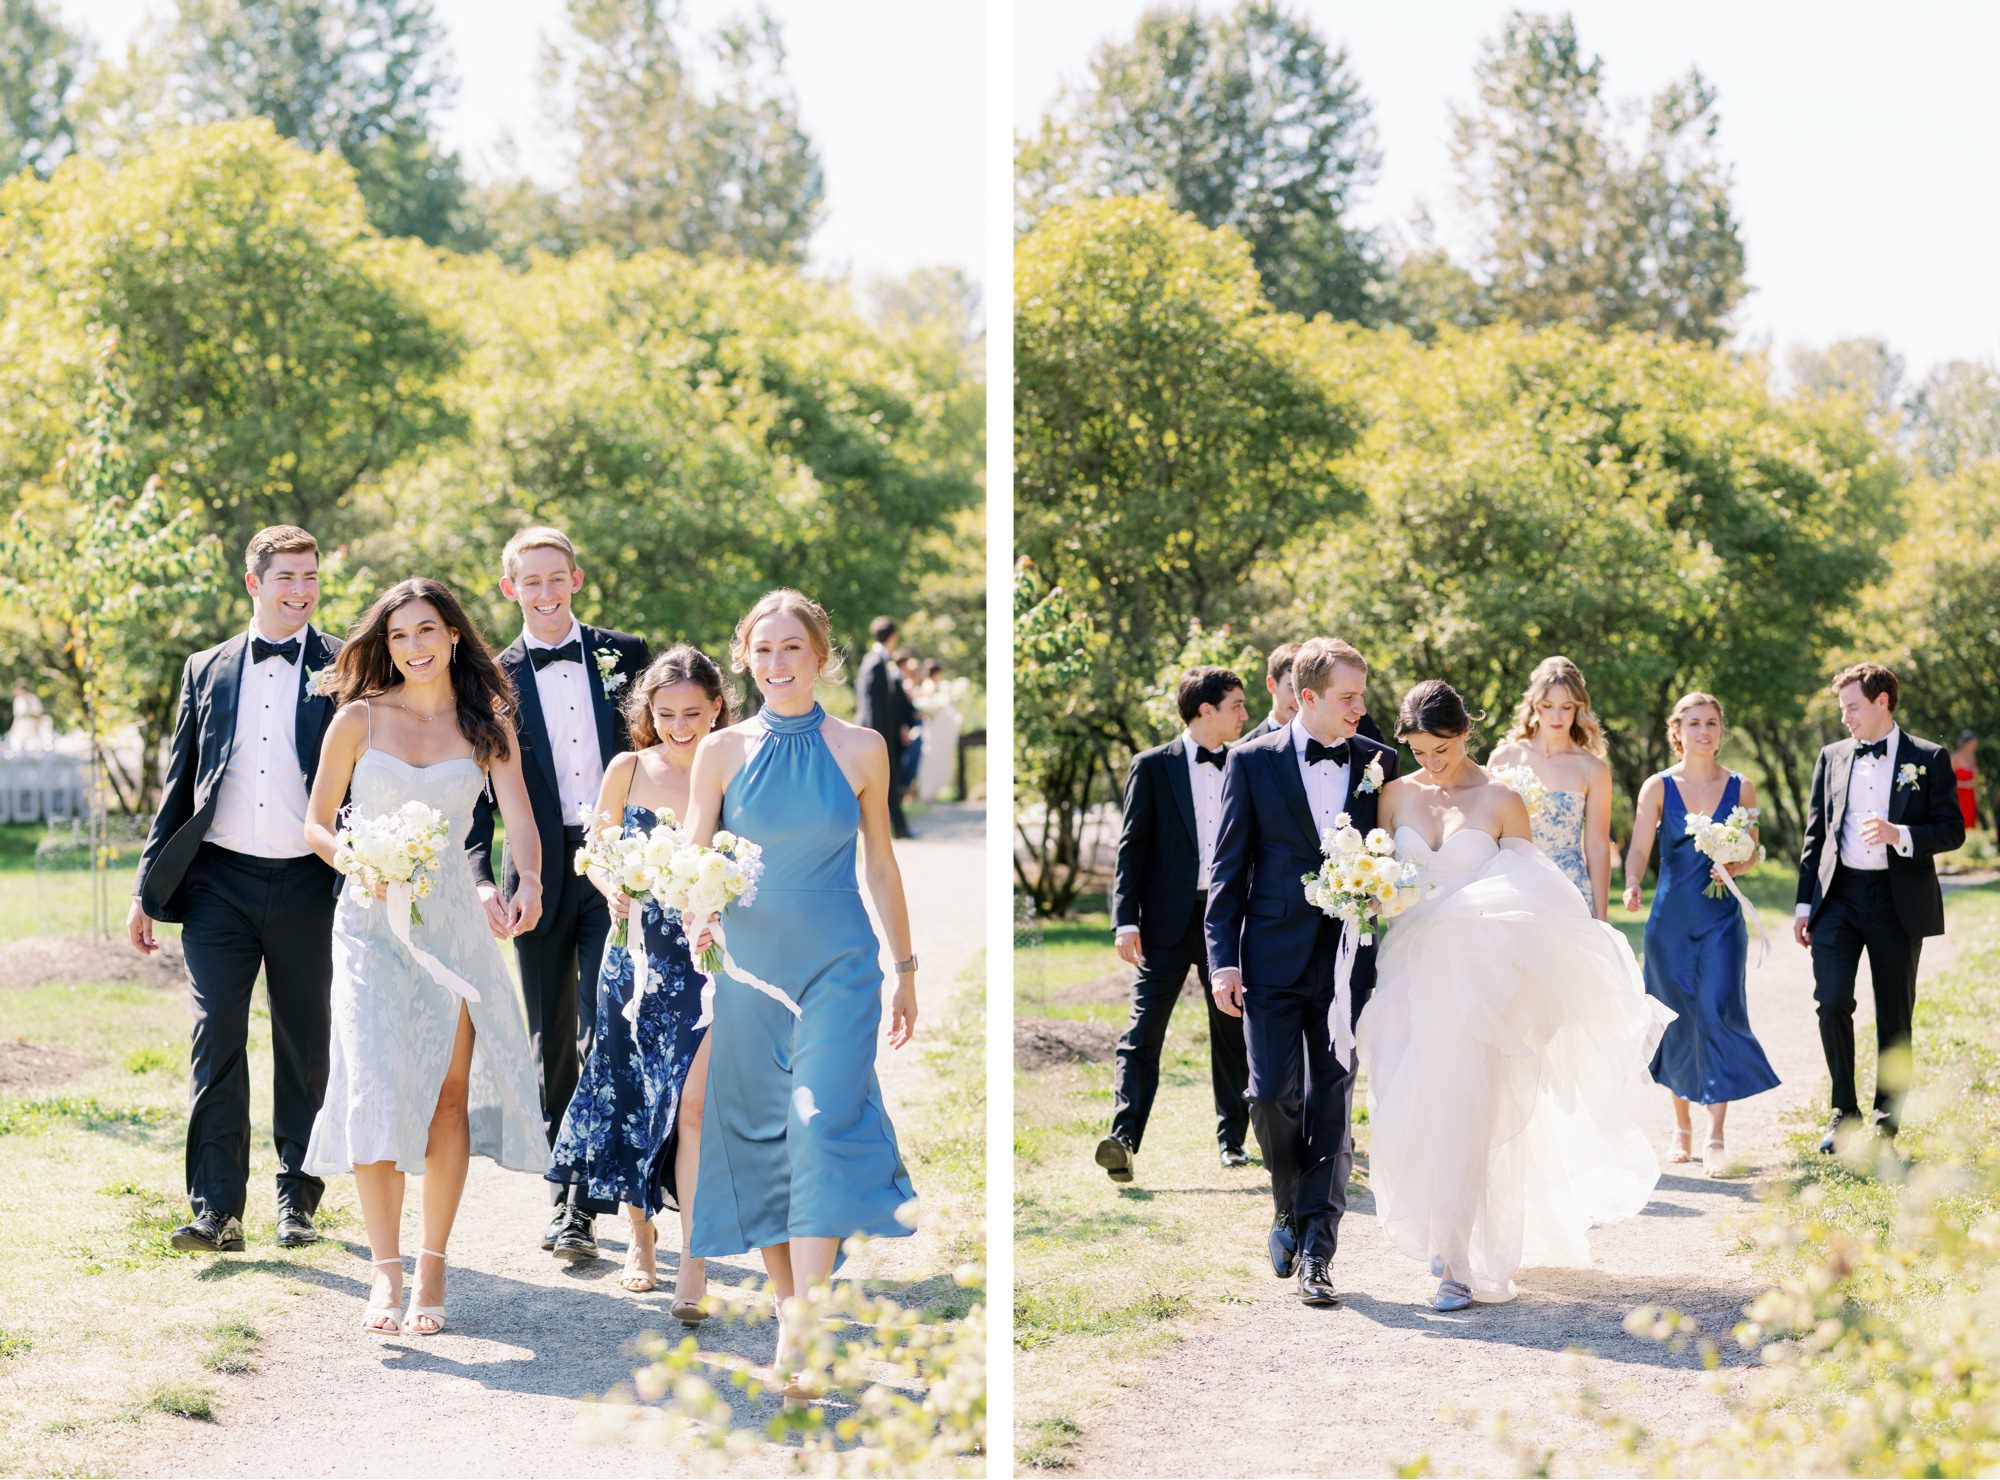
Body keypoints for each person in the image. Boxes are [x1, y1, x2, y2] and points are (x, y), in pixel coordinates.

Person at [1359, 679, 1672, 1309]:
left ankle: (1459, 1259)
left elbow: (1537, 894)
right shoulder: (1392, 797)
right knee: (1414, 1103)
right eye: (1419, 750)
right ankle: (1440, 1231)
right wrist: (1368, 894)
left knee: (1472, 1110)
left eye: (1441, 748)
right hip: (1410, 972)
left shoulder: (1502, 800)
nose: (1431, 762)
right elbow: (1378, 875)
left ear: (1466, 733)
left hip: (1482, 982)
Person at [686, 589, 918, 1393]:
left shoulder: (861, 748)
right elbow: (693, 860)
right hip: (749, 971)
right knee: (762, 1138)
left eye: (792, 649)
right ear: (745, 657)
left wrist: (908, 969)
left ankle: (808, 1322)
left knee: (818, 1125)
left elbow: (881, 863)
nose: (777, 664)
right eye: (762, 649)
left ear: (821, 656)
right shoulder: (720, 752)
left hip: (840, 966)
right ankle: (790, 1310)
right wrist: (698, 920)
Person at [302, 577, 547, 1336]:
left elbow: (520, 825)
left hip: (452, 925)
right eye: (400, 634)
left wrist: (528, 882)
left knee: (447, 1096)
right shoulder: (357, 720)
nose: (414, 646)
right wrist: (355, 858)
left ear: (452, 635)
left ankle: (433, 1266)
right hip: (371, 922)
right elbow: (316, 824)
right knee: (373, 1087)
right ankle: (385, 1272)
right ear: (384, 642)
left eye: (427, 630)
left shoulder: (487, 725)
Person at [129, 526, 344, 1255]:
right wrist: (146, 887)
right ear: (253, 582)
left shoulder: (344, 666)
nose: (302, 590)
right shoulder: (207, 667)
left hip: (311, 883)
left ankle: (298, 1200)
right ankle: (217, 1210)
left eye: (310, 576)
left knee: (304, 1042)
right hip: (219, 881)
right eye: (287, 576)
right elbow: (180, 783)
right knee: (215, 1033)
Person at [467, 527, 649, 1262]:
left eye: (556, 578)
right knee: (551, 1038)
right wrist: (483, 879)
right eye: (529, 582)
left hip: (620, 865)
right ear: (510, 590)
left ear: (576, 578)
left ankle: (588, 1198)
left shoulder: (627, 655)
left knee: (607, 1025)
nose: (544, 593)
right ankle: (565, 1195)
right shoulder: (488, 679)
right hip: (533, 872)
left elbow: (660, 748)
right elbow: (474, 801)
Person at [1204, 637, 1400, 1307]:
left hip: (1348, 958)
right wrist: (1223, 961)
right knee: (1267, 1095)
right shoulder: (1250, 761)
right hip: (1270, 955)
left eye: (1363, 696)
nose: (1361, 708)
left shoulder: (1381, 763)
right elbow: (1228, 869)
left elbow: (1396, 855)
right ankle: (1287, 1204)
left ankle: (1320, 1246)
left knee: (1333, 1099)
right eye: (1349, 697)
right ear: (1306, 697)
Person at [547, 646, 726, 1319]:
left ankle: (697, 1259)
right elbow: (591, 852)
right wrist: (610, 887)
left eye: (692, 712)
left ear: (715, 708)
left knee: (695, 1109)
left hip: (706, 963)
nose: (680, 725)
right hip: (632, 960)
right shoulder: (626, 769)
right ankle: (641, 1237)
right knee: (633, 1097)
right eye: (666, 712)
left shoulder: (730, 767)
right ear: (647, 712)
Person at [1796, 663, 1963, 1151]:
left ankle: (1886, 1124)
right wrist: (1805, 903)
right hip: (1839, 899)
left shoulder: (1928, 757)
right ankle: (1842, 1114)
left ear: (1882, 702)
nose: (1845, 717)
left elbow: (1952, 829)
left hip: (1897, 902)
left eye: (1853, 707)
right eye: (1843, 708)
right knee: (1830, 1002)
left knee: (1894, 1013)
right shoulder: (1830, 757)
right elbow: (1816, 835)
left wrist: (1901, 835)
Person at [1097, 666, 1253, 1183]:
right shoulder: (1152, 766)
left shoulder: (1246, 763)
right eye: (1235, 705)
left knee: (1231, 1029)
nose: (1244, 715)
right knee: (1143, 1032)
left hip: (1226, 919)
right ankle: (1122, 1140)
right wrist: (1125, 921)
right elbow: (1131, 848)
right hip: (1162, 923)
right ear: (1205, 710)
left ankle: (1233, 1141)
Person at [1622, 693, 1780, 1173]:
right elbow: (1639, 848)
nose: (1703, 731)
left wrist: (1737, 862)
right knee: (1677, 1020)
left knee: (1717, 1012)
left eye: (1711, 722)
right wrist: (1630, 883)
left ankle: (1715, 1134)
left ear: (1720, 729)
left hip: (1722, 924)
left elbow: (1753, 851)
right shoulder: (1658, 787)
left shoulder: (1743, 787)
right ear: (1678, 731)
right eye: (1693, 723)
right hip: (1669, 925)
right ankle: (1681, 1126)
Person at [1486, 655, 1614, 918]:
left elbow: (1598, 846)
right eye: (1548, 705)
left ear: (1578, 708)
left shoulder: (1593, 769)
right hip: (1513, 886)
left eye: (1566, 707)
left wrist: (1601, 916)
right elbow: (1487, 832)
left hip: (1568, 888)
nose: (1557, 716)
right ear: (1534, 705)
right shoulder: (1503, 758)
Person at [1245, 640, 1386, 745]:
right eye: (1292, 688)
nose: (1297, 696)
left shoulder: (1363, 729)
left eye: (1361, 695)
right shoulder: (1245, 753)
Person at [855, 616, 912, 839]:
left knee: (890, 781)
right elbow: (872, 705)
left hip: (886, 732)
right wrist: (876, 737)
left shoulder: (879, 660)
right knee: (884, 782)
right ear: (893, 637)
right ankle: (895, 828)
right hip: (878, 734)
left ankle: (899, 827)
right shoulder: (875, 662)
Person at [914, 659, 962, 803]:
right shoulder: (928, 686)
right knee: (930, 756)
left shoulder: (938, 686)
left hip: (938, 727)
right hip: (933, 727)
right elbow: (925, 707)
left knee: (936, 757)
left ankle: (934, 790)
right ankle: (927, 791)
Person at [897, 653, 926, 800]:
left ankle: (911, 789)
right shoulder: (905, 685)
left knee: (917, 756)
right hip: (912, 726)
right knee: (910, 757)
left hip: (920, 724)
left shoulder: (919, 687)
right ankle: (905, 788)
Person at [1953, 730, 1980, 835]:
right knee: (1960, 823)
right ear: (1966, 744)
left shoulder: (1973, 758)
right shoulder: (1955, 758)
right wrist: (1964, 785)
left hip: (1970, 796)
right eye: (1973, 744)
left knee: (1970, 823)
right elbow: (1946, 780)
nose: (1975, 747)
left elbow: (1974, 780)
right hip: (1959, 796)